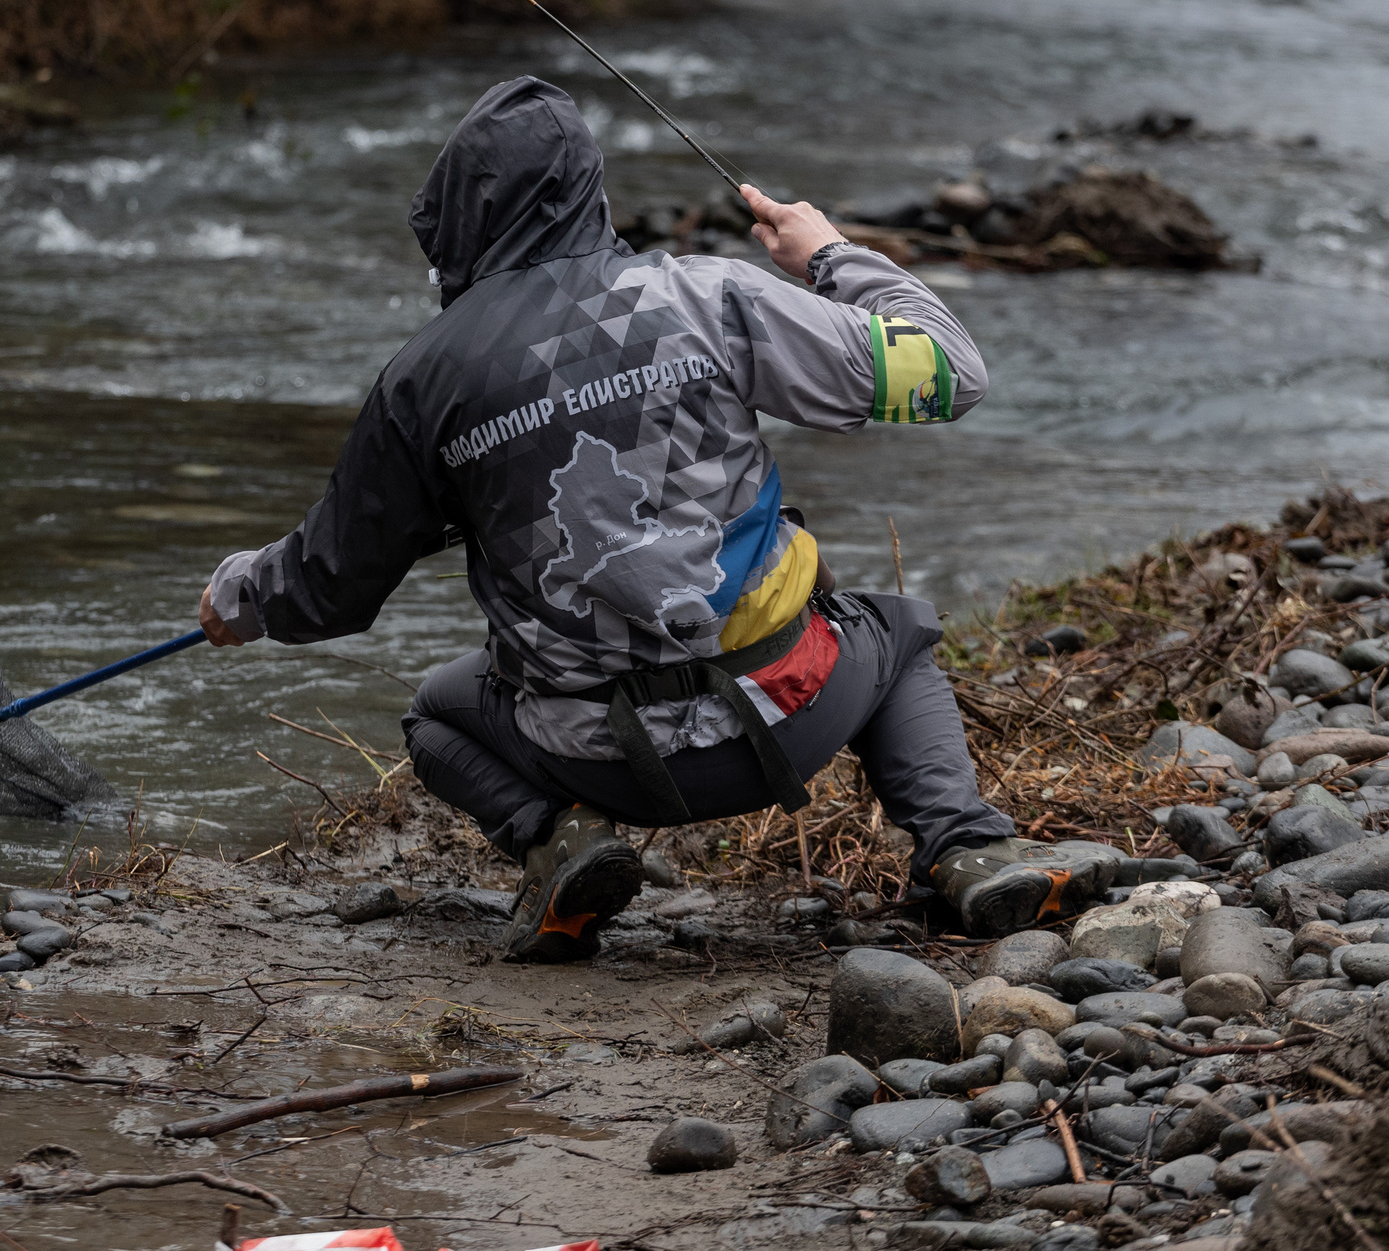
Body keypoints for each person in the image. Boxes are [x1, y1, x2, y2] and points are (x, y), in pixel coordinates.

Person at [198, 77, 1130, 962]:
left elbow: (328, 581)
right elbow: (950, 373)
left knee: (436, 712)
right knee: (898, 632)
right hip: (791, 715)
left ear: (452, 222)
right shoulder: (709, 297)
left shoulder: (422, 380)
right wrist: (830, 257)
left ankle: (558, 844)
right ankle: (965, 850)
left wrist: (242, 595)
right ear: (586, 192)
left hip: (599, 764)